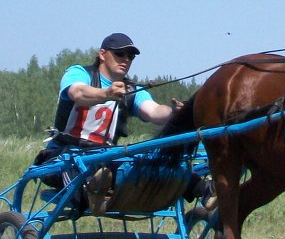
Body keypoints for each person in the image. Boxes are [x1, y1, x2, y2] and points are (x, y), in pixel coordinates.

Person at [38, 33, 181, 212]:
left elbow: (154, 111)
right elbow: (78, 93)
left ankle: (204, 188)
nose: (126, 60)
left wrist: (174, 114)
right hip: (63, 155)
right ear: (102, 54)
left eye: (131, 56)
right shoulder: (80, 73)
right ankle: (91, 190)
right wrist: (106, 93)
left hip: (104, 158)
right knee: (76, 176)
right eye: (120, 54)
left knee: (151, 163)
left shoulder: (132, 90)